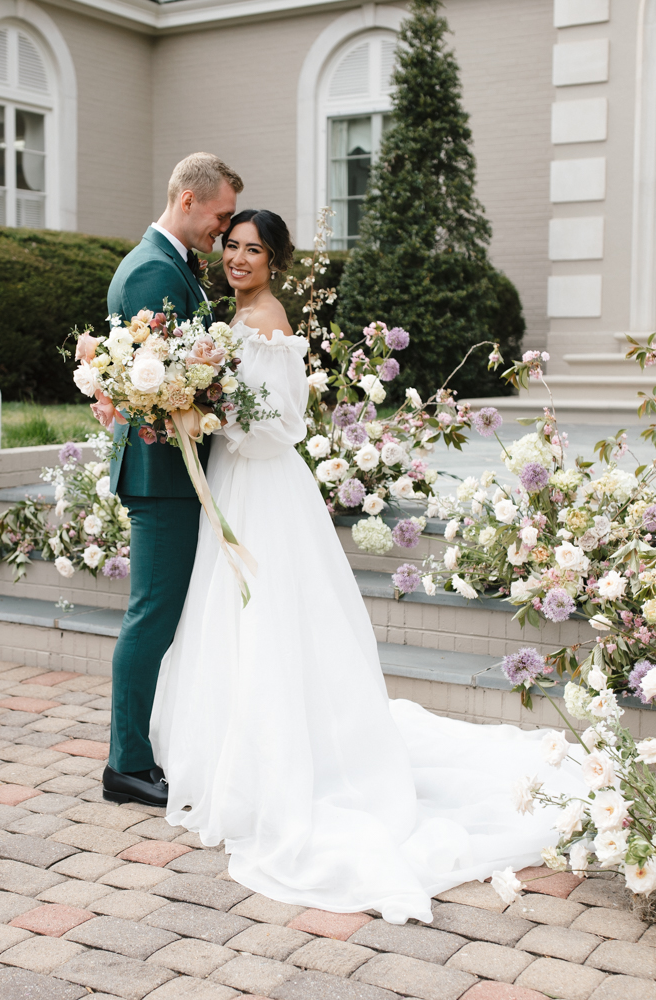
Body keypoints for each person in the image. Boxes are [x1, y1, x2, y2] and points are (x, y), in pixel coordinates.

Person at [148, 209, 583, 925]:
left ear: (274, 261)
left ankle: (279, 763)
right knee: (230, 612)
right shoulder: (235, 314)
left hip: (263, 488)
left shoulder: (269, 320)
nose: (238, 258)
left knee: (268, 614)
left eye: (253, 250)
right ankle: (233, 751)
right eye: (232, 247)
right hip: (233, 481)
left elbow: (286, 424)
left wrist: (215, 415)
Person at [96, 153, 242, 808]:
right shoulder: (153, 270)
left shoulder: (173, 263)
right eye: (220, 217)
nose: (223, 229)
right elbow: (160, 383)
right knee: (151, 617)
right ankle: (125, 764)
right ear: (187, 201)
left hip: (175, 471)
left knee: (162, 616)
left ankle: (148, 746)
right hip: (162, 474)